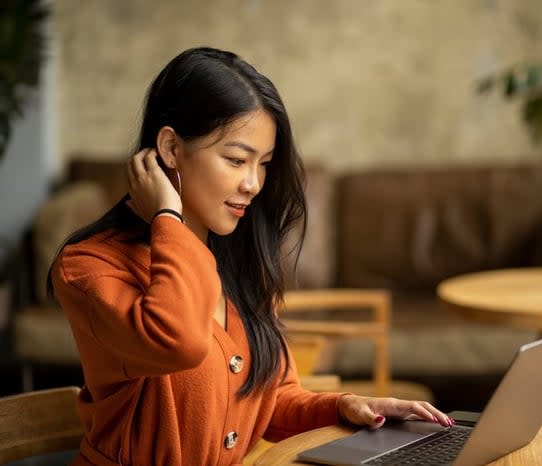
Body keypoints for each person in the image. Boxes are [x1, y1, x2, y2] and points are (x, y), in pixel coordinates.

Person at [48, 47, 453, 465]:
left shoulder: (239, 260)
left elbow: (270, 398)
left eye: (264, 164)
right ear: (170, 148)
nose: (253, 183)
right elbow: (176, 342)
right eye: (237, 160)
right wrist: (168, 217)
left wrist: (344, 406)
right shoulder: (90, 267)